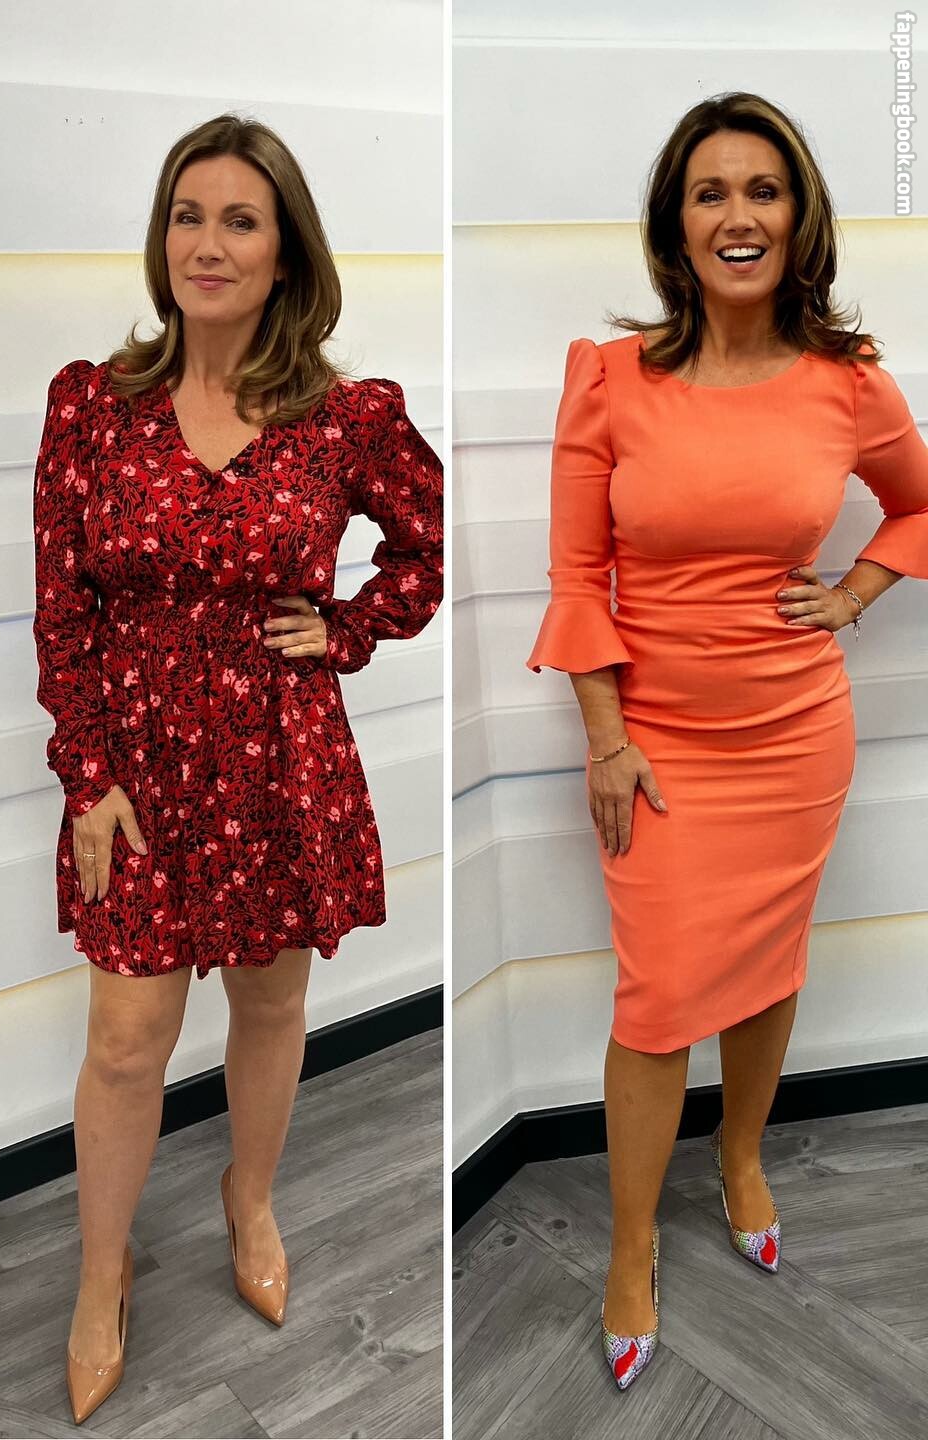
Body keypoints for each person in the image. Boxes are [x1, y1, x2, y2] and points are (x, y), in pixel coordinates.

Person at [31, 113, 444, 1425]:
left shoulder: (345, 420)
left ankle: (247, 1196)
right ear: (162, 241)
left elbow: (426, 549)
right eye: (187, 216)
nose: (207, 244)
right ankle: (102, 1271)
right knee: (126, 1039)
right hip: (137, 769)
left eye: (240, 221)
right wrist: (85, 774)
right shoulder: (93, 407)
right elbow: (63, 610)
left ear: (286, 254)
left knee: (270, 1005)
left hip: (279, 757)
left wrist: (349, 629)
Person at [526, 91, 928, 1392]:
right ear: (676, 224)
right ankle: (630, 1244)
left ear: (799, 217)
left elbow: (919, 508)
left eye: (764, 190)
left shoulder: (848, 382)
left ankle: (741, 1154)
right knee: (655, 1001)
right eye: (711, 192)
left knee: (766, 964)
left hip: (796, 739)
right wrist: (605, 738)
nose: (738, 215)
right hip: (652, 744)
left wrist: (854, 596)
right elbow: (578, 576)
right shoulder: (611, 379)